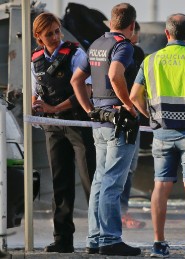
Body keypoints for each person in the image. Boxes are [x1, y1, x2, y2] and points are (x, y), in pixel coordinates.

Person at [130, 13, 185, 258]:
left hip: (162, 133)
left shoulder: (150, 61)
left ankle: (159, 244)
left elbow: (133, 95)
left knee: (160, 185)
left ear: (166, 34)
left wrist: (151, 116)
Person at [70, 3, 141, 256]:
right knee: (112, 181)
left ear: (111, 22)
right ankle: (111, 239)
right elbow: (115, 74)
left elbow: (76, 80)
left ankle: (95, 238)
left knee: (100, 180)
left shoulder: (97, 44)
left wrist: (89, 108)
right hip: (119, 122)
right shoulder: (124, 45)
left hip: (99, 121)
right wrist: (129, 106)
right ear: (132, 25)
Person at [31, 12, 96, 253]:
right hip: (53, 127)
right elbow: (35, 89)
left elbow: (86, 89)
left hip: (78, 124)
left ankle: (98, 236)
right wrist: (36, 104)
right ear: (39, 37)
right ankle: (62, 239)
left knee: (90, 181)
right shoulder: (35, 59)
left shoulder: (76, 53)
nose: (56, 36)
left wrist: (54, 107)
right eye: (50, 34)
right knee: (60, 184)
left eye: (57, 30)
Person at [120, 21, 146, 229]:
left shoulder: (106, 46)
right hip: (128, 115)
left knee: (125, 167)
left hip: (114, 114)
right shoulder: (134, 52)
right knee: (126, 166)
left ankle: (120, 212)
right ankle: (120, 213)